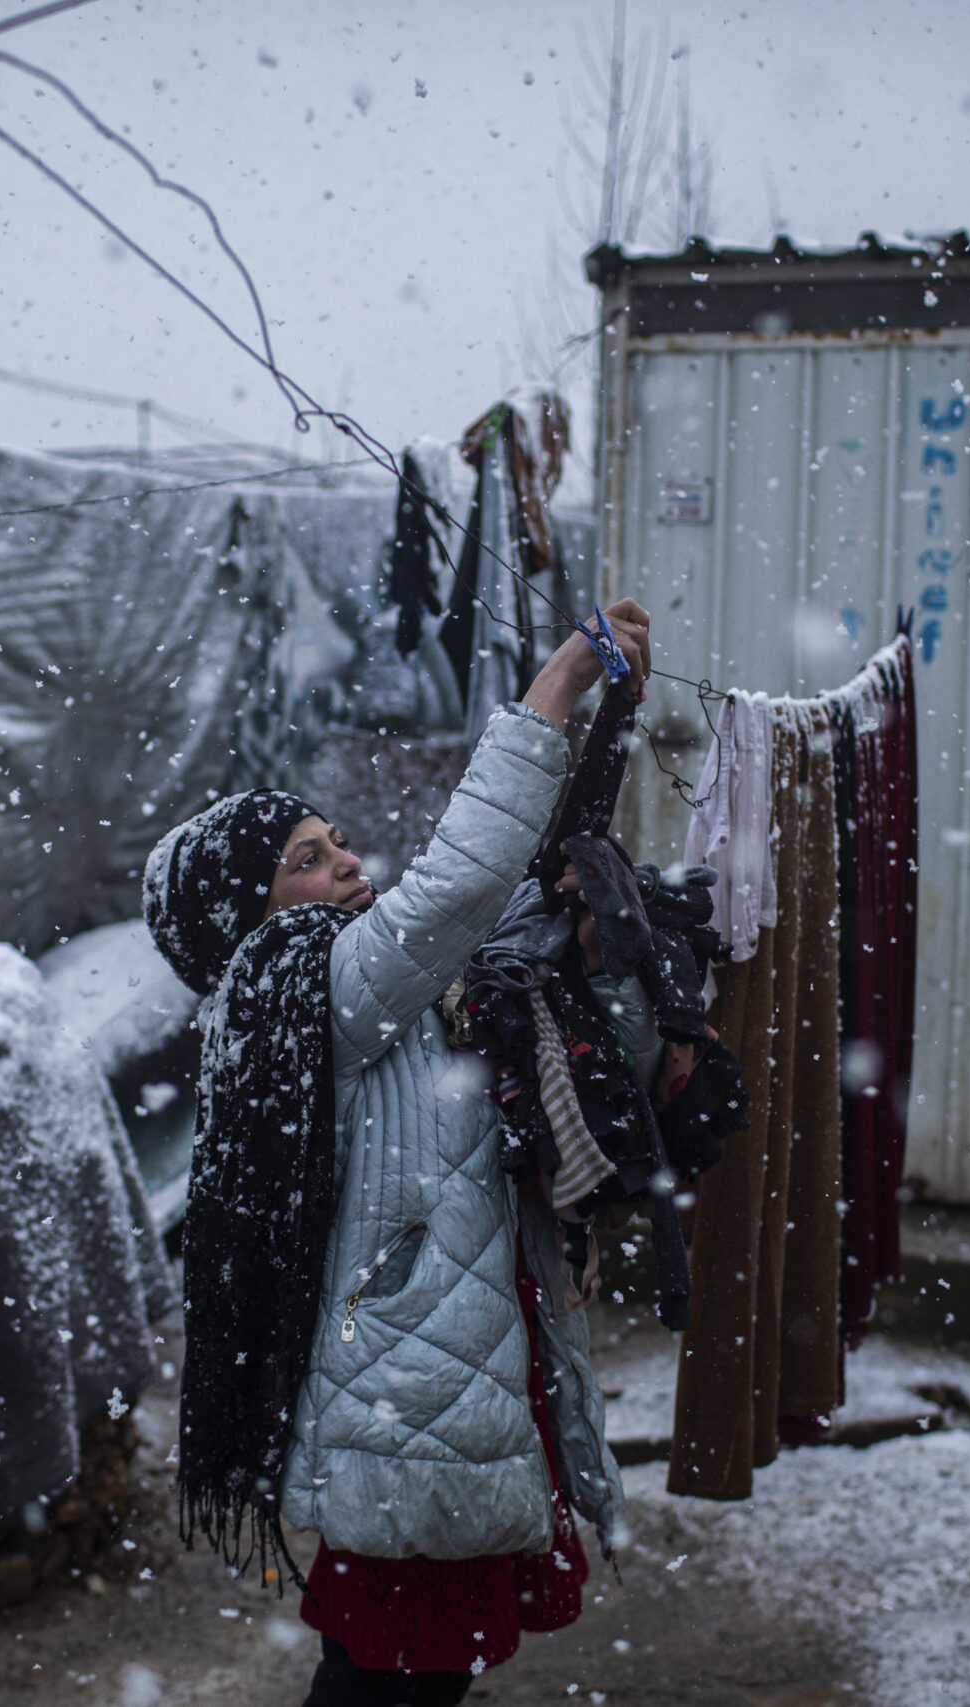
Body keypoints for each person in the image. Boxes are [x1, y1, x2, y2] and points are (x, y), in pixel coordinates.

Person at [145, 599, 650, 1706]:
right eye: (307, 861)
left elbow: (484, 911)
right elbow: (460, 884)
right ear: (254, 912)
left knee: (390, 1670)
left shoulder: (326, 1001)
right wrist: (558, 685)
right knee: (399, 1677)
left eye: (333, 846)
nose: (348, 865)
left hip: (410, 1380)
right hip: (407, 1394)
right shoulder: (311, 984)